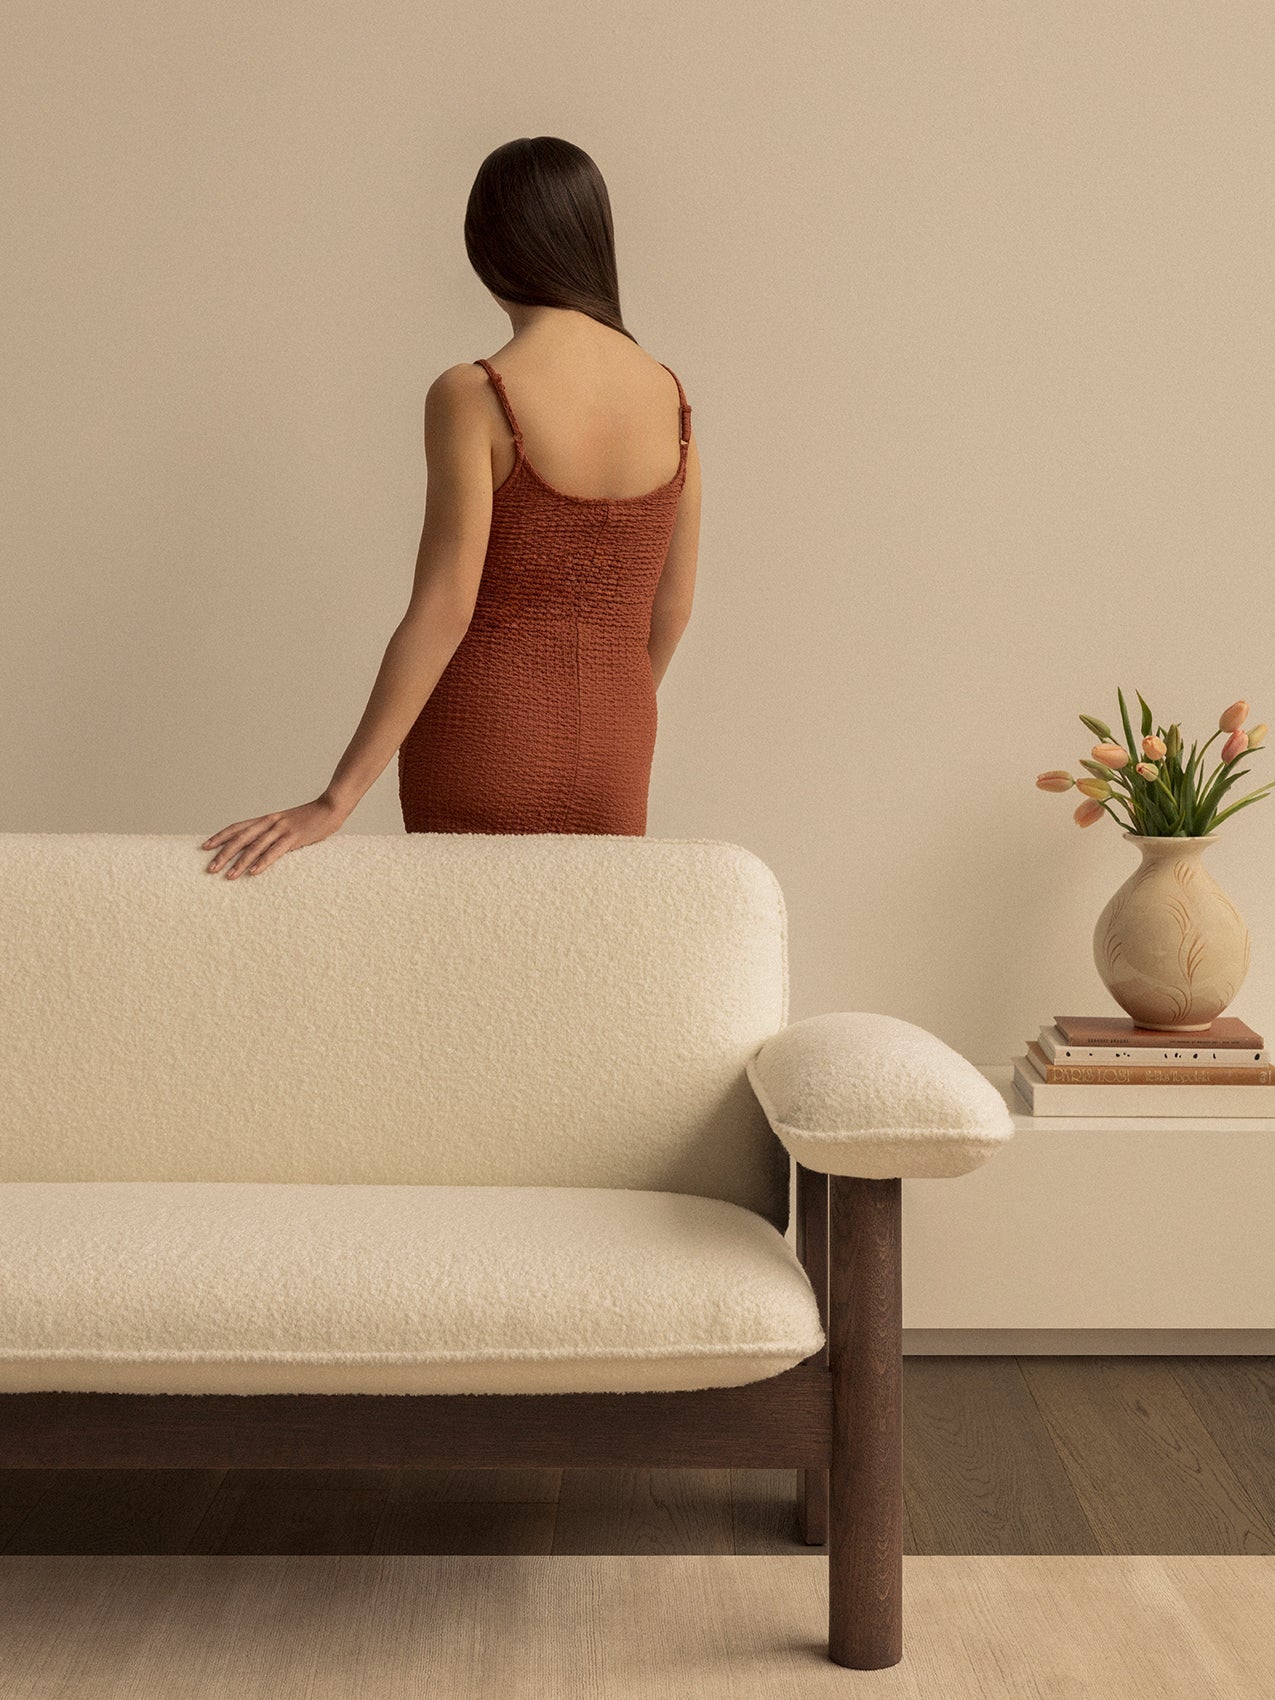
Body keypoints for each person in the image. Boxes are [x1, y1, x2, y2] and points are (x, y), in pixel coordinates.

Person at [202, 135, 700, 880]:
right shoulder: (669, 395)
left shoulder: (476, 393)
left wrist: (335, 800)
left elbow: (443, 608)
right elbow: (671, 608)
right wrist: (602, 713)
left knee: (460, 976)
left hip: (485, 733)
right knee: (581, 974)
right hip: (616, 743)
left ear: (486, 245)